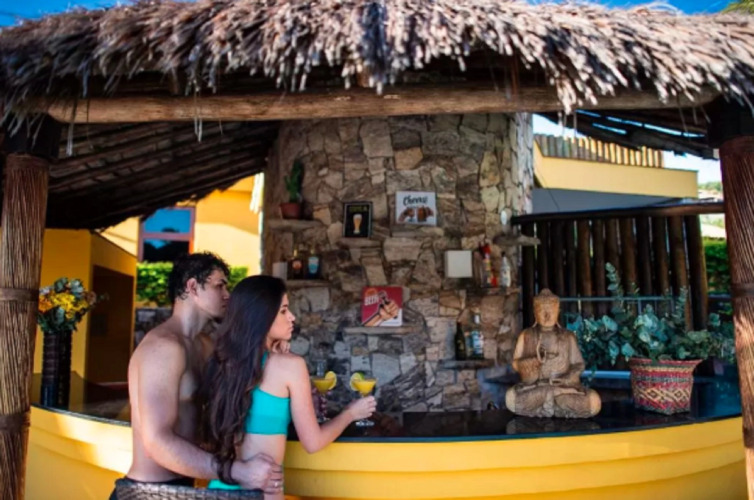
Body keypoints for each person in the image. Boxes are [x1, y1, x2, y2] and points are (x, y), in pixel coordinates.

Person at [110, 253, 283, 500]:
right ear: (192, 287)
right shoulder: (163, 347)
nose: (227, 295)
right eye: (219, 285)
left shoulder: (205, 345)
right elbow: (156, 441)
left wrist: (275, 354)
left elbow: (239, 391)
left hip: (183, 488)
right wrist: (237, 471)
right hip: (147, 492)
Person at [202, 275, 376, 499]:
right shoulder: (291, 366)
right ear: (262, 316)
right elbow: (313, 442)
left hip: (217, 490)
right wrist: (351, 413)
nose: (292, 317)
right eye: (283, 311)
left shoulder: (221, 362)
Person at [505, 289, 601, 419]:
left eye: (551, 311)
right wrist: (535, 360)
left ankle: (550, 405)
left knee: (593, 401)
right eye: (542, 311)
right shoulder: (526, 335)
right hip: (536, 388)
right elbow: (516, 364)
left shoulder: (568, 336)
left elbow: (579, 365)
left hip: (563, 388)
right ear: (535, 313)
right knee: (511, 398)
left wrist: (567, 378)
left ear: (558, 312)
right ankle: (557, 405)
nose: (547, 316)